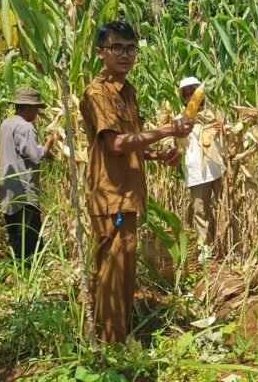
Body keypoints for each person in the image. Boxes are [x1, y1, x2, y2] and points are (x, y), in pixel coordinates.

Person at [79, 21, 193, 343]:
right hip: (110, 196)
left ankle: (103, 337)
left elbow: (131, 144)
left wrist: (157, 155)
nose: (125, 55)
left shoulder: (128, 92)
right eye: (117, 48)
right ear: (101, 52)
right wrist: (168, 130)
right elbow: (114, 144)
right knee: (112, 274)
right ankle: (110, 349)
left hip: (127, 195)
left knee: (121, 272)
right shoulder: (98, 92)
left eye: (131, 48)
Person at [0, 87, 54, 263]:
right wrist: (49, 144)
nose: (37, 113)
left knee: (15, 234)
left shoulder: (6, 124)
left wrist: (43, 151)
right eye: (36, 109)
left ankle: (16, 273)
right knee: (29, 237)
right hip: (24, 191)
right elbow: (35, 157)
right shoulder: (26, 127)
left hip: (7, 188)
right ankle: (27, 277)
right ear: (28, 107)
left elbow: (21, 150)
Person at [178, 77, 225, 259]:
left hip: (218, 169)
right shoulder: (180, 119)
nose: (190, 96)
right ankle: (205, 249)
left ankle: (229, 244)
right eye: (186, 93)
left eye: (193, 91)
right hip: (197, 173)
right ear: (182, 98)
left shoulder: (216, 113)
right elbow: (176, 144)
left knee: (225, 206)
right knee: (200, 212)